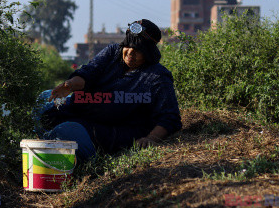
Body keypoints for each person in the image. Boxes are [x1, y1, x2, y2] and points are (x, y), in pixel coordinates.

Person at [37, 19, 182, 161]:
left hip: (115, 130)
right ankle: (45, 142)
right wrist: (70, 85)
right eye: (128, 46)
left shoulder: (158, 77)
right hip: (86, 114)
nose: (130, 52)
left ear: (149, 52)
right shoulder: (113, 52)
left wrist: (151, 138)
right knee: (44, 100)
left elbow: (170, 116)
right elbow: (88, 72)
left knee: (66, 131)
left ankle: (83, 159)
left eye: (138, 50)